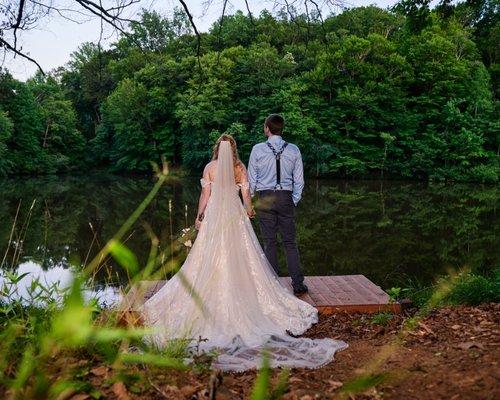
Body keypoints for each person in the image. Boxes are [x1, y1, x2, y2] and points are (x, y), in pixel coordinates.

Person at [140, 134, 347, 372]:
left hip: (216, 216)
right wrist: (249, 211)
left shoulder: (209, 168)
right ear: (234, 149)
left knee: (208, 255)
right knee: (243, 254)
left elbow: (205, 196)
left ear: (218, 148)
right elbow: (246, 194)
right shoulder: (239, 168)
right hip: (234, 215)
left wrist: (199, 217)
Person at [248, 114, 308, 295]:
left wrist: (251, 199)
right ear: (281, 128)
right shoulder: (294, 150)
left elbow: (252, 178)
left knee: (269, 242)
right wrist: (294, 199)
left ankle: (272, 285)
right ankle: (298, 284)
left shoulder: (257, 149)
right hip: (285, 197)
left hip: (265, 197)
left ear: (267, 128)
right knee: (290, 242)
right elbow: (299, 180)